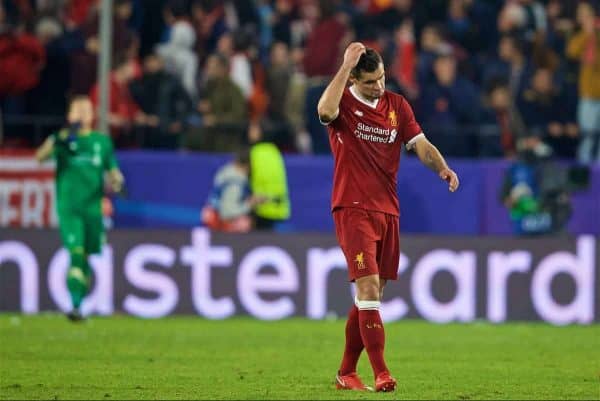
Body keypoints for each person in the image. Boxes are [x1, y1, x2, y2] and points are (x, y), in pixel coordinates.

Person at [317, 43, 459, 392]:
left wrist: (441, 167)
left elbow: (420, 144)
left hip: (388, 209)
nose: (379, 87)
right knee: (367, 288)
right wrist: (345, 62)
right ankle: (382, 372)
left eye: (382, 78)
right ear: (353, 78)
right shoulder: (343, 104)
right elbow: (323, 110)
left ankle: (346, 372)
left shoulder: (397, 105)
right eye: (370, 82)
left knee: (372, 296)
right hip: (353, 207)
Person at [35, 96, 124, 322]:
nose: (83, 113)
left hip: (93, 209)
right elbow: (40, 157)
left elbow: (112, 169)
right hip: (70, 208)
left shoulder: (101, 142)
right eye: (78, 109)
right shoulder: (63, 141)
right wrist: (54, 141)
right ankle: (75, 307)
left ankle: (78, 306)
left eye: (87, 109)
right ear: (70, 115)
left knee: (84, 257)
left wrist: (116, 180)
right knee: (76, 253)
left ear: (93, 115)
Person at [201, 148, 267, 233]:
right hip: (217, 223)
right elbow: (227, 213)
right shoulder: (235, 183)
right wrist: (250, 204)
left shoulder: (227, 172)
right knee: (244, 222)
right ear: (247, 166)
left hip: (211, 218)